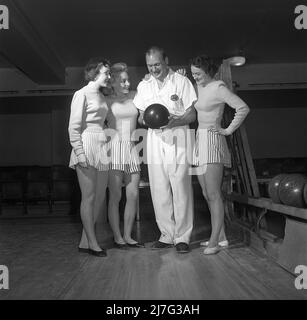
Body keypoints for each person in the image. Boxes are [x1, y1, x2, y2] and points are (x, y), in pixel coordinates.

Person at [133, 46, 197, 254]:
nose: (154, 69)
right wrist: (147, 119)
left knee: (180, 186)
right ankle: (166, 235)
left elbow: (191, 115)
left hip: (178, 134)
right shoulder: (144, 85)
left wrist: (175, 121)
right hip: (154, 138)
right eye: (150, 66)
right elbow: (141, 116)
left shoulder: (182, 82)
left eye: (157, 64)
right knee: (158, 187)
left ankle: (182, 237)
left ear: (166, 60)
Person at [189, 54, 250, 255]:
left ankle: (214, 241)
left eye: (198, 74)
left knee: (214, 194)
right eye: (193, 74)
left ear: (209, 72)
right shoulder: (201, 86)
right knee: (206, 193)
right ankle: (221, 236)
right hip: (200, 139)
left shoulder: (219, 88)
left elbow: (242, 108)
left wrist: (227, 130)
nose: (195, 77)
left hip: (213, 140)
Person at [68, 57, 111, 257]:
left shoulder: (101, 96)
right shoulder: (81, 93)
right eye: (106, 73)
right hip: (86, 144)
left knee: (100, 197)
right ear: (94, 73)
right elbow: (73, 127)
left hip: (100, 144)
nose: (109, 77)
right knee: (89, 197)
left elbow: (102, 122)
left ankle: (85, 240)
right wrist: (79, 153)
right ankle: (93, 243)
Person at [105, 62, 144, 248]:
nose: (128, 84)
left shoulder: (136, 96)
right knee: (115, 196)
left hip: (132, 147)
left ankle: (128, 235)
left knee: (133, 195)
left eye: (128, 80)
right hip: (114, 148)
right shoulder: (107, 101)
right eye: (123, 81)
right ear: (112, 82)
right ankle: (117, 236)